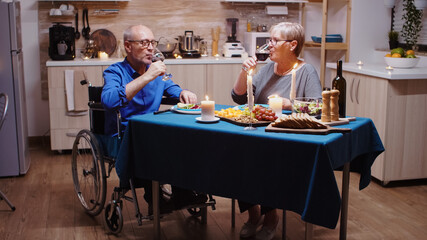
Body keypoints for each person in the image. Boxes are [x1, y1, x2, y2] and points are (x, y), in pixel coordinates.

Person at [102, 25, 206, 214]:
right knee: (156, 143)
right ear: (128, 46)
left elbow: (170, 86)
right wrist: (147, 76)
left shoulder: (157, 72)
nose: (150, 47)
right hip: (125, 135)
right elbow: (109, 101)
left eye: (152, 42)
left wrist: (182, 92)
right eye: (144, 43)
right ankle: (156, 199)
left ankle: (183, 192)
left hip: (152, 132)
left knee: (186, 137)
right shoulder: (114, 72)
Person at [231, 22, 322, 240]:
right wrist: (245, 72)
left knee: (265, 159)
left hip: (287, 139)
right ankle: (254, 214)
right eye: (268, 40)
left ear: (292, 45)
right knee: (236, 153)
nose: (268, 45)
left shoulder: (305, 71)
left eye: (273, 40)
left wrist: (289, 104)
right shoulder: (265, 71)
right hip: (258, 136)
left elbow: (318, 108)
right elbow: (239, 97)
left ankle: (271, 217)